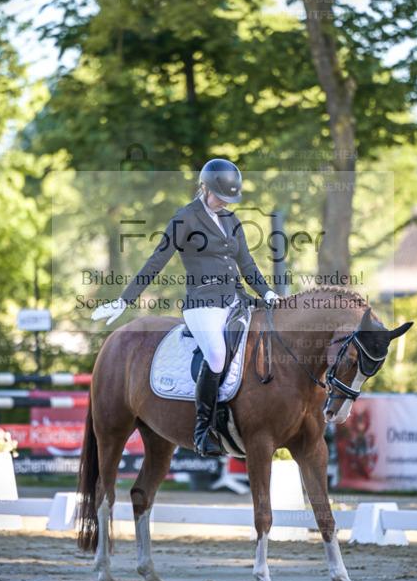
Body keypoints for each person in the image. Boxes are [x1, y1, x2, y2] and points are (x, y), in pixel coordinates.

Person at [92, 158, 279, 456]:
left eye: (228, 198)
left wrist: (267, 293)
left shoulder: (231, 220)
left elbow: (247, 265)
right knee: (217, 356)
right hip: (203, 305)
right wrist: (125, 299)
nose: (223, 202)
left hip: (236, 301)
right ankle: (203, 430)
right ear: (204, 187)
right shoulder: (186, 218)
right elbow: (157, 260)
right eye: (219, 196)